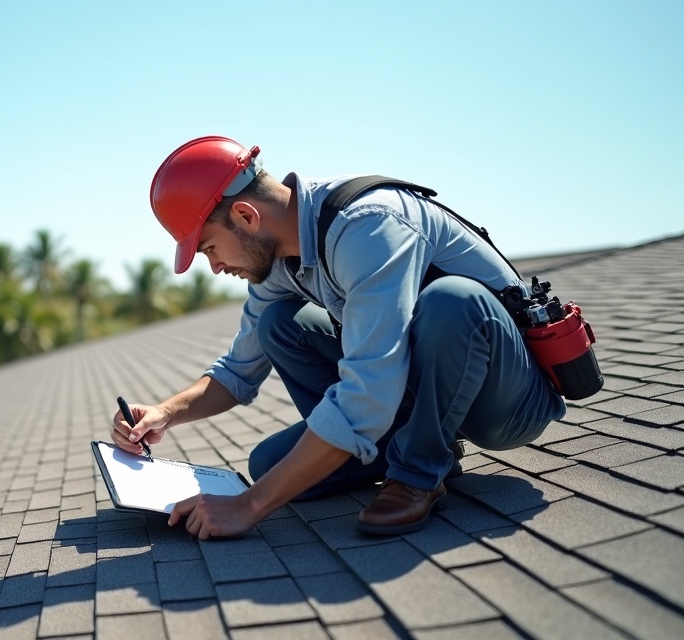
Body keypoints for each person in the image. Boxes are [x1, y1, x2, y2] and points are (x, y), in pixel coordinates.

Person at [111, 136, 566, 538]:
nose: (214, 267)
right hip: (419, 391)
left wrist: (248, 507)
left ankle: (417, 473)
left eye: (209, 248)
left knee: (451, 299)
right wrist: (164, 413)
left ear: (247, 216)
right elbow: (237, 373)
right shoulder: (278, 261)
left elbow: (369, 389)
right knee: (270, 451)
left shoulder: (368, 225)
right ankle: (414, 447)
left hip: (507, 402)